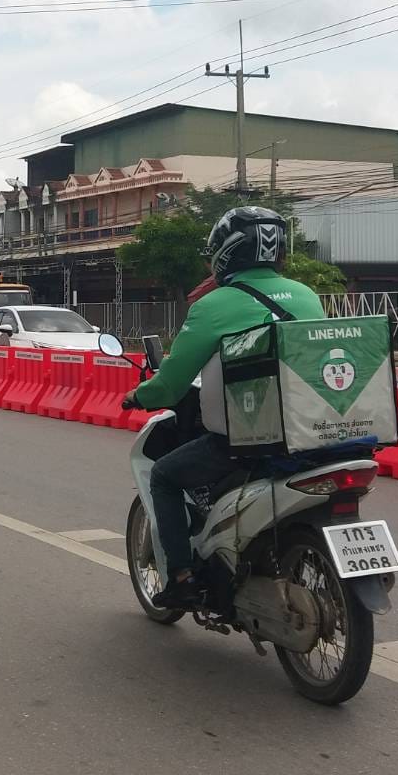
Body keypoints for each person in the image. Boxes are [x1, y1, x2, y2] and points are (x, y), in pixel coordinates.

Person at [122, 206, 324, 610]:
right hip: (312, 434)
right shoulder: (307, 295)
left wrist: (139, 396)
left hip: (247, 441)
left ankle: (182, 579)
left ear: (226, 252)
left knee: (164, 476)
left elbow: (171, 385)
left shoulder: (214, 305)